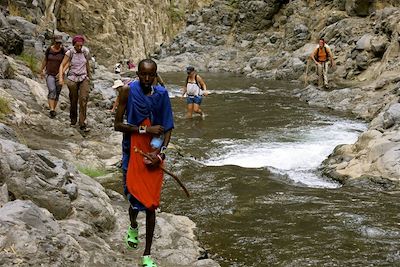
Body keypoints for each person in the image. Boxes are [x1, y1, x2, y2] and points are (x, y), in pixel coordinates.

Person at [114, 58, 174, 267]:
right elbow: (118, 125)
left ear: (156, 75)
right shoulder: (127, 92)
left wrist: (161, 153)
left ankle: (147, 255)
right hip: (133, 150)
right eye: (143, 74)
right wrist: (144, 130)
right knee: (133, 198)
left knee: (151, 205)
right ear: (137, 74)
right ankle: (132, 225)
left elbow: (167, 127)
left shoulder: (162, 95)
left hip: (154, 153)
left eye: (151, 75)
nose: (147, 79)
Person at [59, 35, 92, 132]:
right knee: (73, 99)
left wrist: (89, 76)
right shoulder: (70, 53)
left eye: (81, 45)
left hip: (83, 77)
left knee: (83, 99)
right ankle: (73, 120)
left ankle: (82, 122)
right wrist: (61, 77)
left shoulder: (85, 52)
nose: (79, 47)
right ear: (74, 45)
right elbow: (62, 65)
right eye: (77, 46)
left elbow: (87, 64)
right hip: (72, 78)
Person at [39, 35, 65, 118]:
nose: (58, 44)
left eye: (60, 43)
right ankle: (51, 110)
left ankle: (53, 109)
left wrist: (62, 72)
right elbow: (45, 60)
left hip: (59, 75)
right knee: (52, 90)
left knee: (57, 92)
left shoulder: (63, 51)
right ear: (54, 41)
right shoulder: (49, 49)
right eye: (57, 42)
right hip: (49, 74)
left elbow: (67, 62)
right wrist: (41, 70)